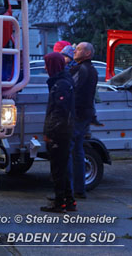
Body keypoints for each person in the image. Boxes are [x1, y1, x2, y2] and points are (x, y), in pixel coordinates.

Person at [40, 52, 76, 213]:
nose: (45, 68)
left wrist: (50, 132)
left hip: (59, 132)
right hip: (64, 130)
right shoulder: (63, 81)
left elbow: (58, 111)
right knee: (62, 167)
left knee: (57, 169)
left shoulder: (60, 84)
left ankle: (60, 202)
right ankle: (68, 201)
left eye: (47, 64)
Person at [67, 42, 98, 199]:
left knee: (68, 149)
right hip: (85, 114)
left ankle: (68, 191)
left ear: (87, 53)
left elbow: (72, 88)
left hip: (77, 114)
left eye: (78, 49)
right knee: (78, 151)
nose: (74, 51)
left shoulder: (81, 69)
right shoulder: (92, 70)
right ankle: (79, 189)